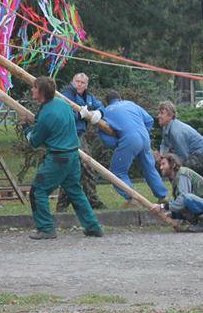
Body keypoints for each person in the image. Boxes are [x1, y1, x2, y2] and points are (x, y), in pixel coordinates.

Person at [22, 76, 103, 240]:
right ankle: (93, 227)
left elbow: (34, 141)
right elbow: (65, 121)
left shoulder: (46, 115)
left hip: (58, 158)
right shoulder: (62, 104)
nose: (32, 90)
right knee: (75, 192)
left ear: (42, 92)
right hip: (73, 156)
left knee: (38, 191)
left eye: (34, 87)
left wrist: (25, 127)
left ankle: (46, 228)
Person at [96, 91, 168, 204]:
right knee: (149, 168)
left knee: (117, 172)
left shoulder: (106, 111)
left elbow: (107, 139)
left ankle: (132, 199)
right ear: (120, 98)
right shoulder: (131, 104)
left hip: (129, 139)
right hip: (144, 137)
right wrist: (143, 132)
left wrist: (119, 144)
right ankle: (162, 197)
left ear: (106, 102)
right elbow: (149, 120)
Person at [58, 72, 105, 210]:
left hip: (80, 135)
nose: (79, 84)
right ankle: (91, 200)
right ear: (73, 82)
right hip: (69, 135)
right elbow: (64, 116)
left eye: (82, 82)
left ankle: (64, 204)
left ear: (86, 85)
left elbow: (101, 106)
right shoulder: (67, 95)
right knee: (86, 166)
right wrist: (79, 115)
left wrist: (99, 113)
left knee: (74, 169)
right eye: (77, 81)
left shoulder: (89, 97)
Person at [152, 153, 203, 233]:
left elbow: (184, 197)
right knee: (180, 204)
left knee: (186, 198)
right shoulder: (176, 178)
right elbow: (180, 204)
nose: (161, 167)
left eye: (163, 164)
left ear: (172, 165)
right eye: (160, 165)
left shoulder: (182, 174)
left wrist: (163, 206)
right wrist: (172, 214)